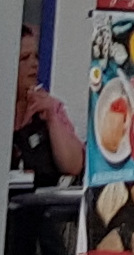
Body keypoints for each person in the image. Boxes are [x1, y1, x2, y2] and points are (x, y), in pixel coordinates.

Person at [12, 31, 83, 182]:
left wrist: (52, 118)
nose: (34, 64)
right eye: (24, 58)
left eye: (36, 56)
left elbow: (74, 166)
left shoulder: (51, 107)